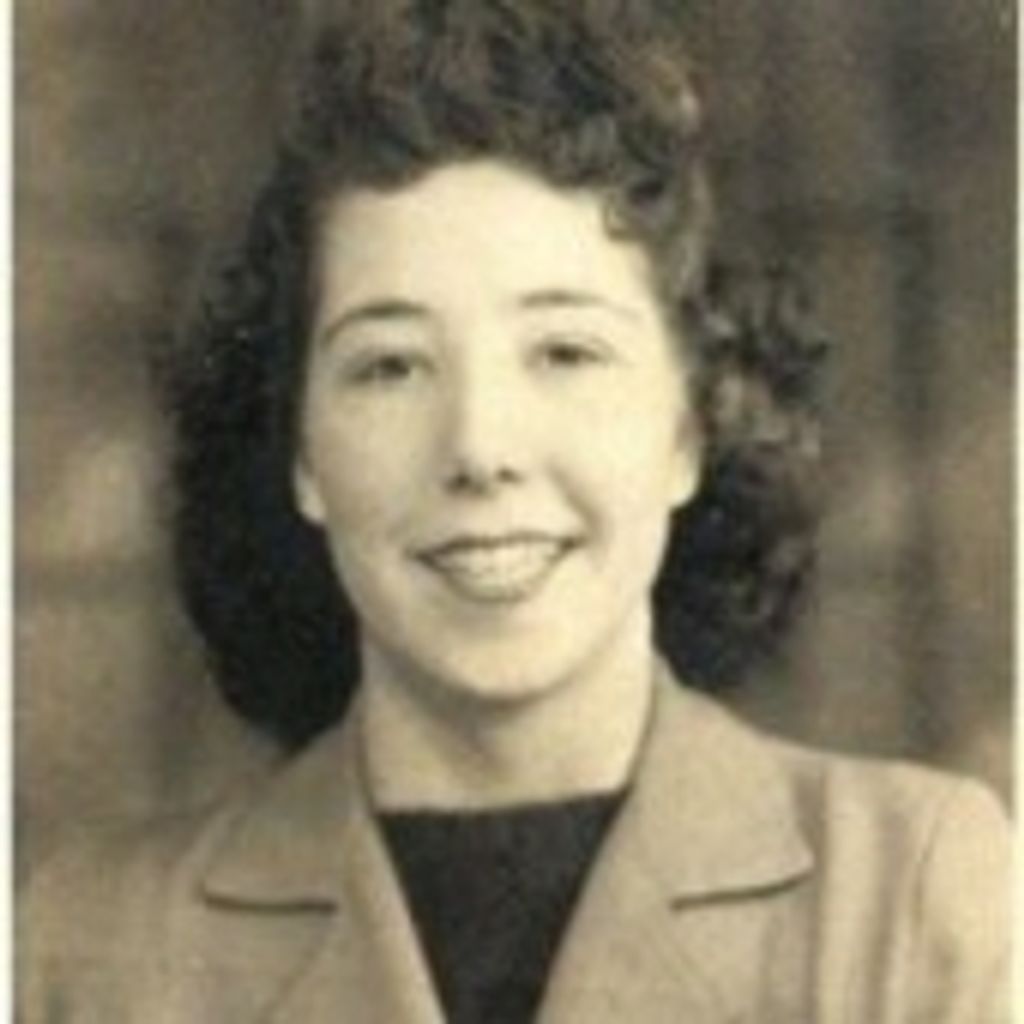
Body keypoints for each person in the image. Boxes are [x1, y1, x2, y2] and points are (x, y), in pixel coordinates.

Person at [19, 2, 1009, 1021]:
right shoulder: (88, 949)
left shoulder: (916, 894)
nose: (479, 448)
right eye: (391, 365)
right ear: (304, 453)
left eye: (565, 352)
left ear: (689, 426)